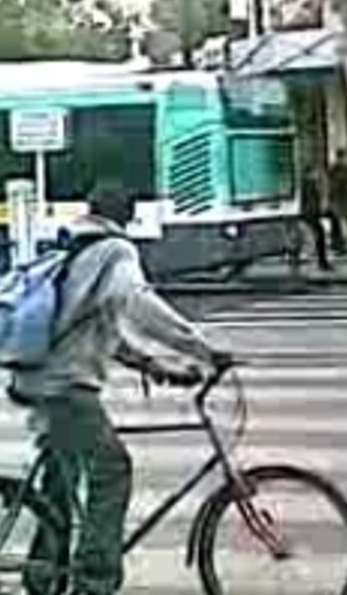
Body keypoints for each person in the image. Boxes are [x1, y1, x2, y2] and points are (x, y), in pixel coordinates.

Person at [14, 182, 225, 595]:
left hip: (41, 378)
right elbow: (140, 304)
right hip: (64, 386)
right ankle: (94, 583)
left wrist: (154, 365)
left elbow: (99, 329)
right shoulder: (115, 251)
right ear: (126, 215)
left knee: (61, 481)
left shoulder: (75, 248)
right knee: (113, 469)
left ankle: (43, 578)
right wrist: (203, 349)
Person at [300, 166, 333, 271]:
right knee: (319, 236)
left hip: (311, 213)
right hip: (311, 214)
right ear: (310, 173)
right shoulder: (308, 184)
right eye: (315, 173)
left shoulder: (308, 183)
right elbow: (310, 201)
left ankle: (322, 262)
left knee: (319, 236)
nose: (317, 175)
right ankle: (322, 262)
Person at [326, 148, 347, 255]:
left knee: (340, 223)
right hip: (337, 200)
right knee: (337, 223)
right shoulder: (335, 169)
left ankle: (341, 245)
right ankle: (338, 245)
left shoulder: (343, 169)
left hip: (341, 200)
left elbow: (339, 184)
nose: (340, 160)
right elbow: (332, 185)